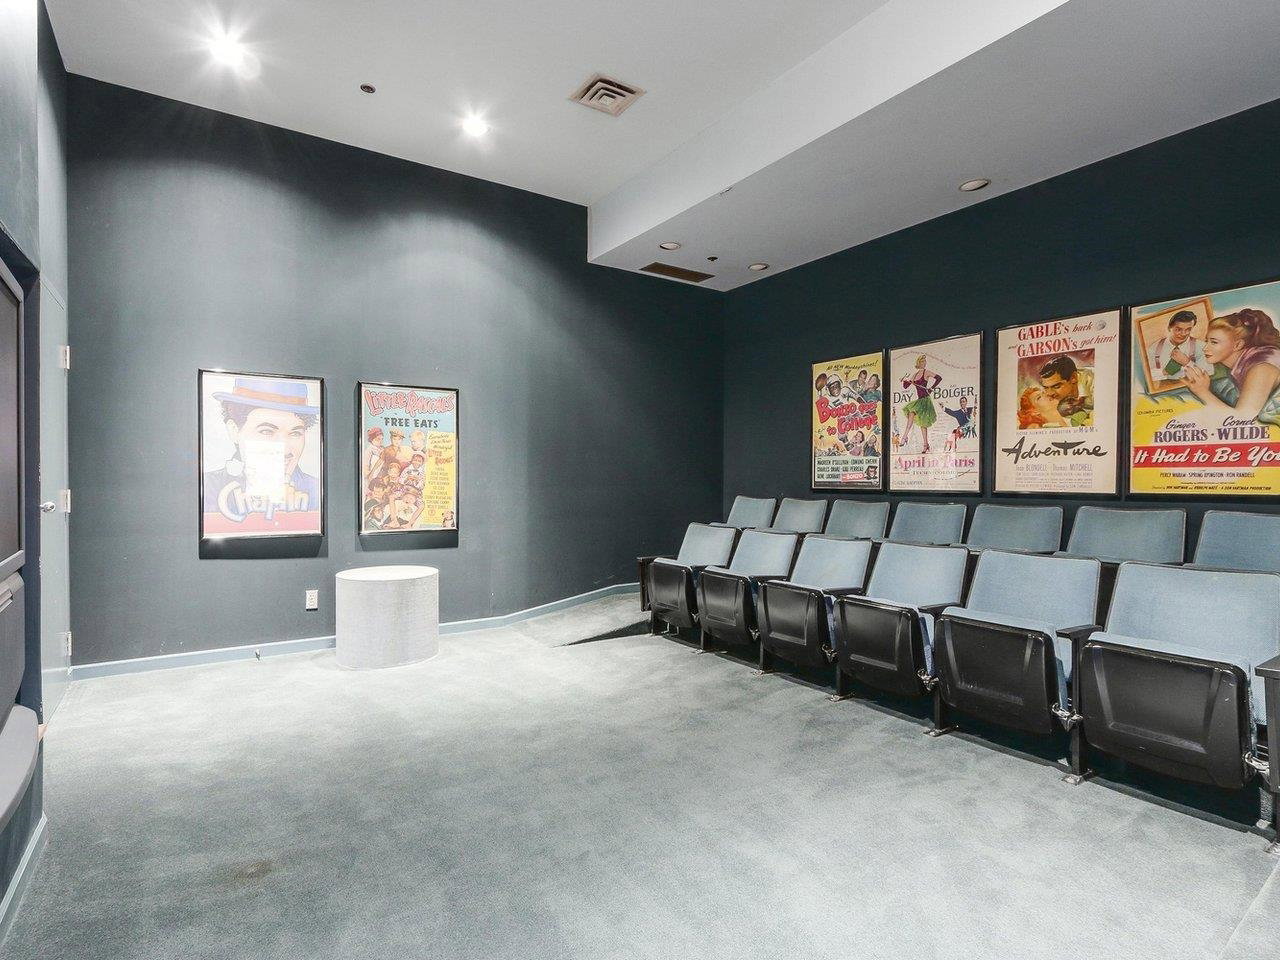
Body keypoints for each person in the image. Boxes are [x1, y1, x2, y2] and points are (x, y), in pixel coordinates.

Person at [203, 376, 320, 525]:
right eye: (266, 431)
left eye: (295, 433)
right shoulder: (208, 487)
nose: (284, 449)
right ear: (234, 430)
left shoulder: (317, 490)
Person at [1184, 308, 1280, 424]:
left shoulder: (1262, 367)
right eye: (1206, 341)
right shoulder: (1242, 363)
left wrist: (1202, 391)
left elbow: (1243, 419)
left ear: (1237, 345)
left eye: (1214, 342)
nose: (1205, 348)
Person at [1148, 310, 1210, 384]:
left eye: (1188, 329)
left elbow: (1208, 374)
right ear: (1169, 328)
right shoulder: (1154, 348)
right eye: (1178, 329)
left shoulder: (1202, 347)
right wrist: (1166, 371)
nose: (1183, 334)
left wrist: (1187, 362)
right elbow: (1147, 376)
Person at [899, 355, 942, 454]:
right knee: (911, 413)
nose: (924, 363)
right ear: (918, 363)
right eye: (922, 361)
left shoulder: (926, 372)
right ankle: (906, 437)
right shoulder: (914, 375)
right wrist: (904, 380)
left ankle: (925, 444)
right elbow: (905, 386)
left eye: (925, 361)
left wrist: (931, 388)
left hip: (925, 401)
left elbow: (939, 378)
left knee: (923, 424)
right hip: (919, 401)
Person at [1037, 354, 1094, 426]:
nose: (1050, 393)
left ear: (1073, 378)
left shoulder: (1095, 380)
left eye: (1056, 386)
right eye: (1046, 388)